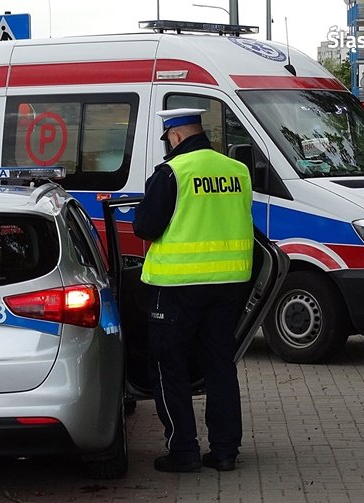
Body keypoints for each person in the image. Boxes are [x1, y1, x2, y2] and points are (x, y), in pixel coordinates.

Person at [133, 108, 253, 473]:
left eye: (168, 139)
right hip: (228, 287)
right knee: (220, 367)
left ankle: (183, 450)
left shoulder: (173, 173)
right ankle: (225, 451)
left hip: (176, 288)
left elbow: (145, 227)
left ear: (175, 136)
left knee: (170, 368)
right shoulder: (237, 171)